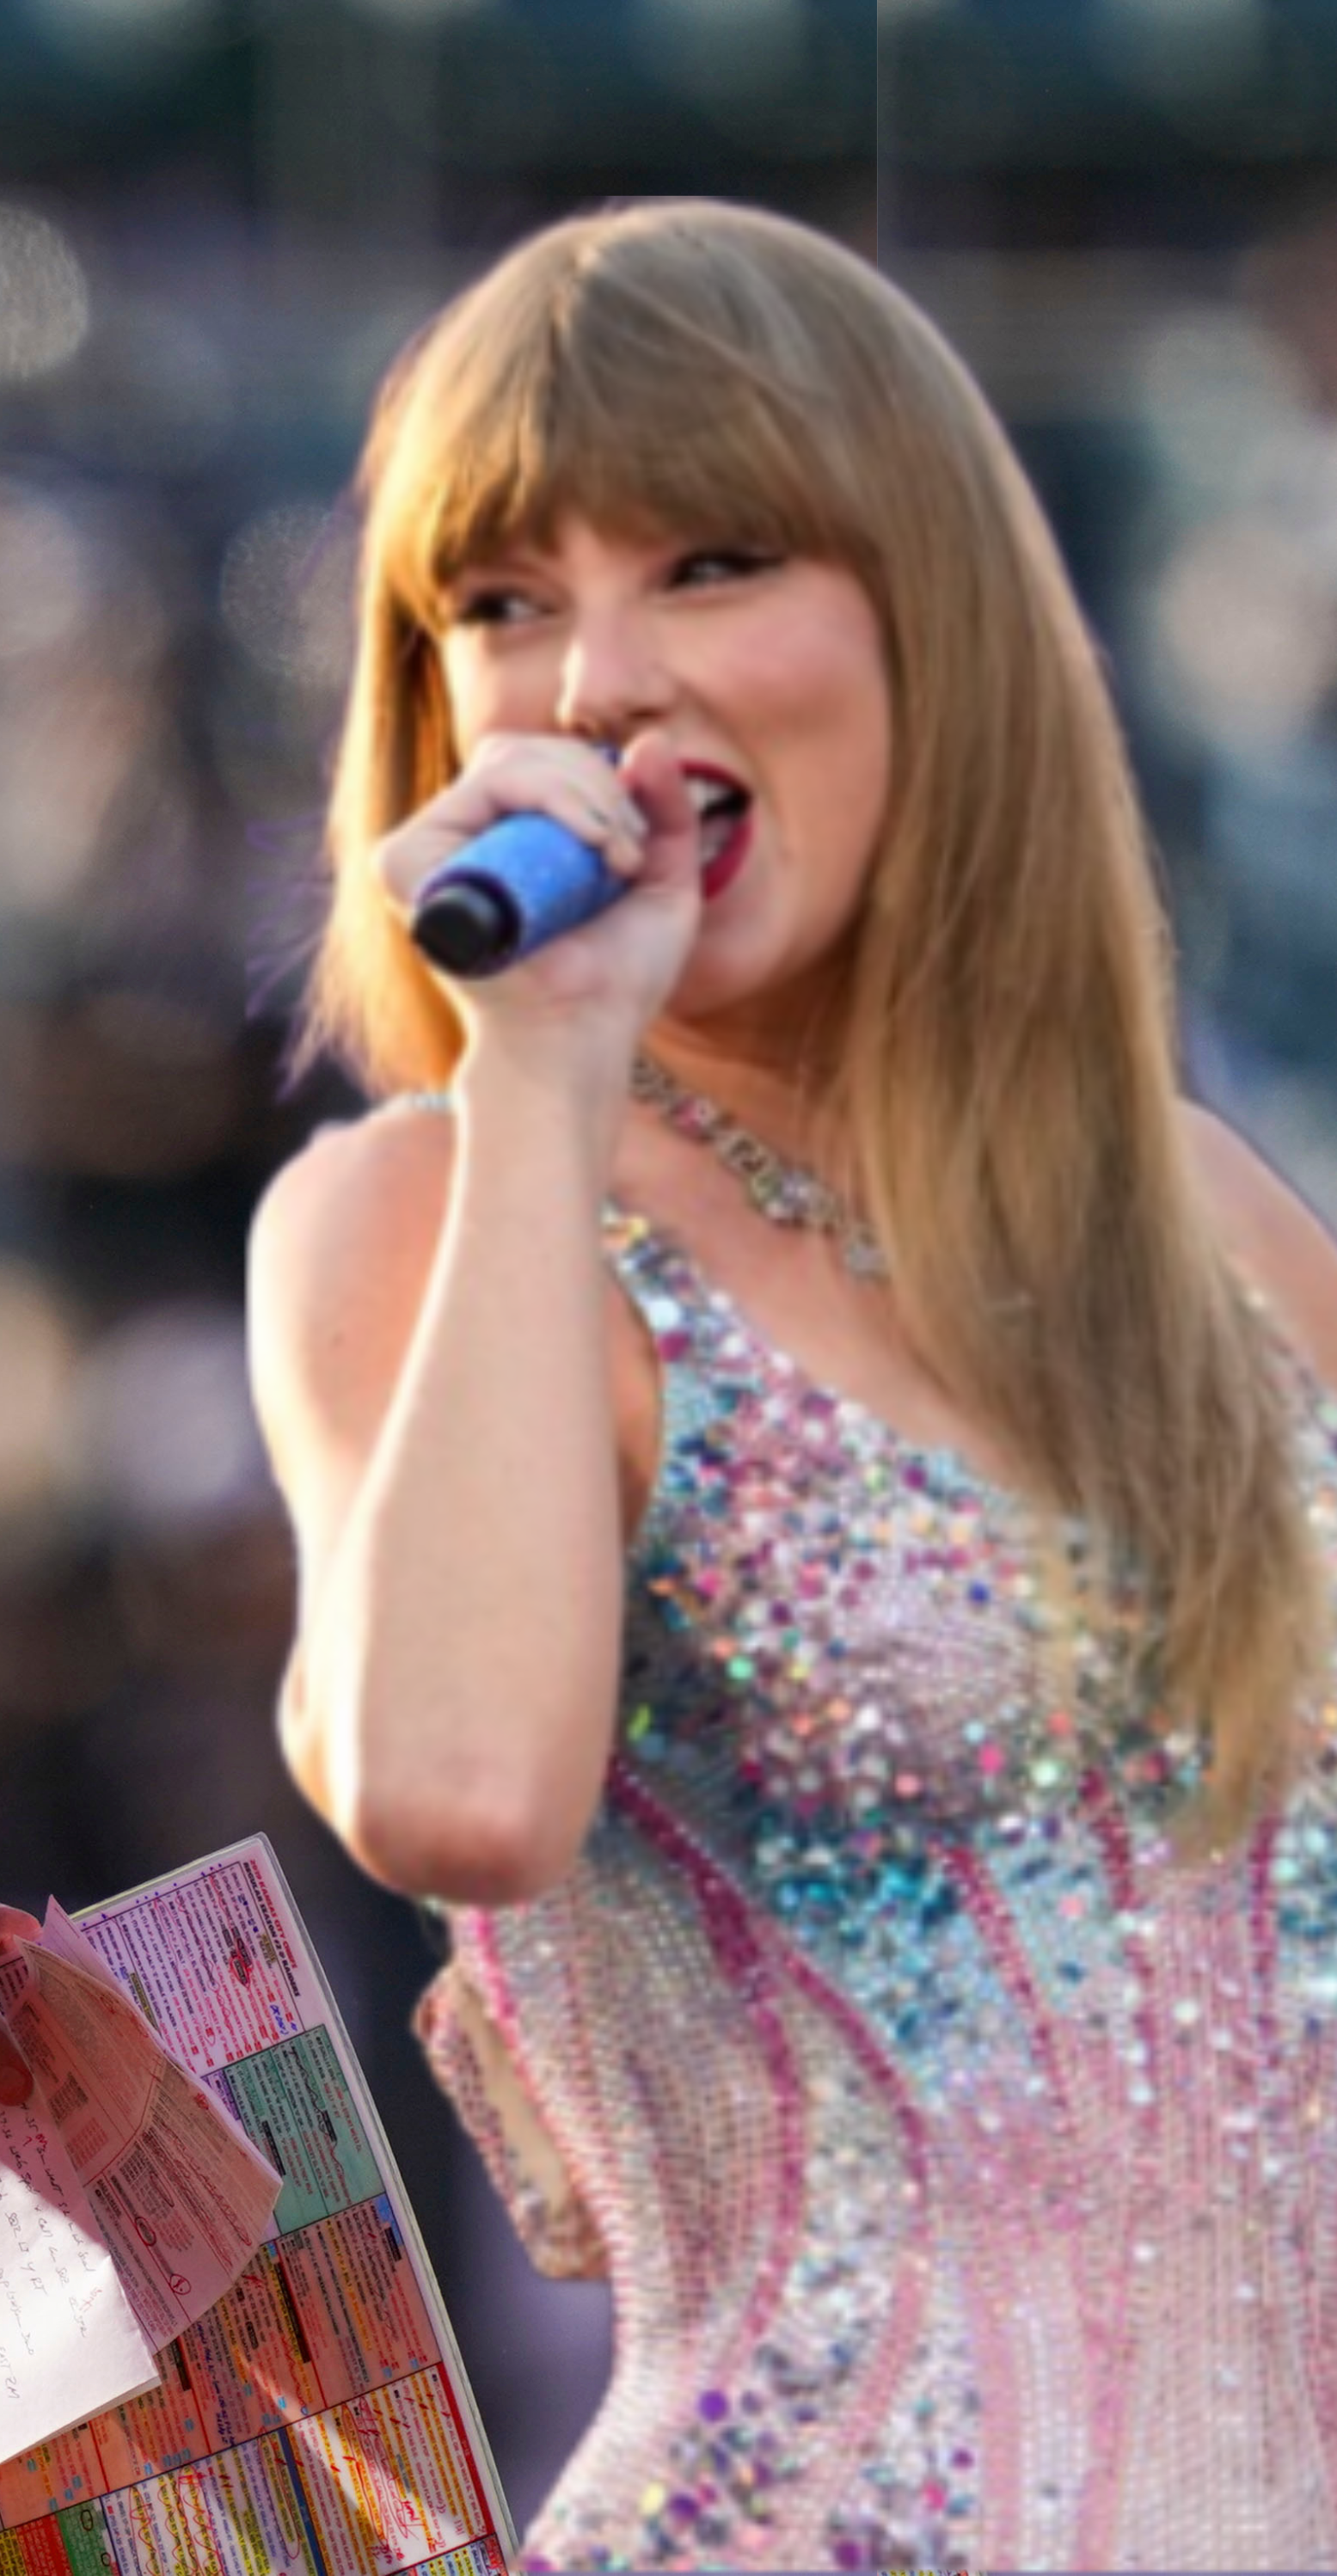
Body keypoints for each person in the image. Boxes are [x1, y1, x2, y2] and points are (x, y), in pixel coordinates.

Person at [250, 198, 1337, 2570]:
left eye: (713, 562)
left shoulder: (1206, 1215)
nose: (600, 683)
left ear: (929, 624)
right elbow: (447, 1781)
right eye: (504, 604)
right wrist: (547, 1070)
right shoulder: (427, 1214)